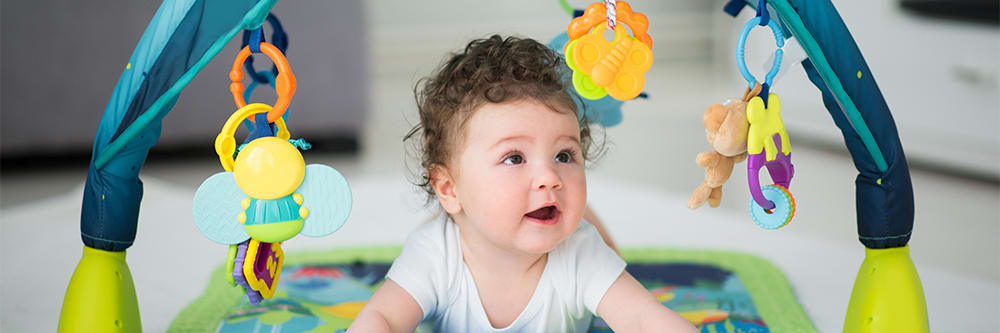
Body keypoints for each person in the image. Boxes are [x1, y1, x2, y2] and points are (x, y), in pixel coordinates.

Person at [349, 35, 696, 333]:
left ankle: (590, 222)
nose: (550, 176)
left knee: (590, 233)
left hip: (576, 236)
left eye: (564, 155)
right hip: (458, 224)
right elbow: (384, 318)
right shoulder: (434, 254)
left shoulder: (578, 252)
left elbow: (640, 318)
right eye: (514, 158)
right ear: (449, 189)